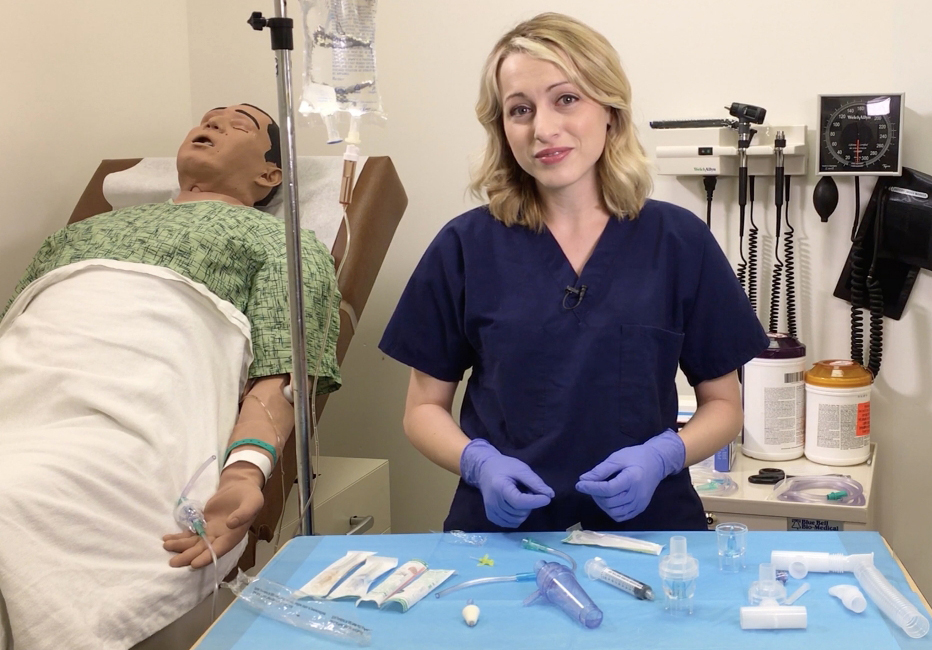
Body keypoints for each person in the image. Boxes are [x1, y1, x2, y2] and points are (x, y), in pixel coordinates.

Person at [380, 14, 767, 533]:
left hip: (649, 532)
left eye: (566, 99)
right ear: (503, 129)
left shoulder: (678, 242)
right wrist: (479, 463)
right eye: (520, 110)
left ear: (609, 110)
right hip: (503, 537)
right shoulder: (465, 247)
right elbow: (423, 409)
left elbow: (724, 405)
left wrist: (663, 456)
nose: (543, 128)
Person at [0, 104, 341, 650]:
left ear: (269, 176)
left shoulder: (282, 242)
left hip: (131, 404)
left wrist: (243, 475)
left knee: (14, 499)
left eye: (239, 125)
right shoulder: (76, 235)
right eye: (208, 118)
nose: (211, 125)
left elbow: (283, 373)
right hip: (23, 385)